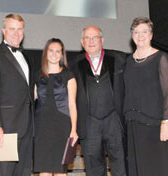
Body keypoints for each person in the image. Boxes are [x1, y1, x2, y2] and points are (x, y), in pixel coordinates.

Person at [0, 14, 34, 176]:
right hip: (4, 130)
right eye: (12, 28)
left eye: (19, 29)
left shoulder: (25, 57)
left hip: (26, 129)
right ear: (4, 30)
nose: (16, 33)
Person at [71, 26, 127, 176]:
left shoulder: (119, 59)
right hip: (89, 123)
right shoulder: (74, 64)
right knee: (94, 168)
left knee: (121, 165)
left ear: (102, 40)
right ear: (82, 42)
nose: (91, 41)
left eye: (94, 37)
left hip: (114, 120)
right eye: (87, 38)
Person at [124, 17, 168, 176]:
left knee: (158, 168)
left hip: (156, 124)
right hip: (134, 124)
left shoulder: (161, 58)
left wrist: (166, 122)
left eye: (144, 31)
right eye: (136, 32)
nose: (140, 35)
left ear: (151, 35)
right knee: (139, 169)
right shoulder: (128, 61)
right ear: (132, 36)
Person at [33, 38, 79, 176]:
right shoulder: (37, 75)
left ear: (61, 54)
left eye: (57, 51)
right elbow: (32, 100)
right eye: (51, 50)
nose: (54, 54)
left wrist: (74, 130)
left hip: (62, 127)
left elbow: (72, 104)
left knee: (60, 171)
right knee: (44, 170)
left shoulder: (68, 76)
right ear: (46, 53)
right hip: (41, 126)